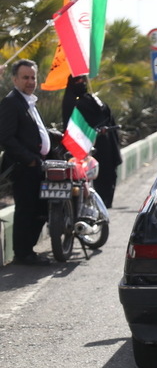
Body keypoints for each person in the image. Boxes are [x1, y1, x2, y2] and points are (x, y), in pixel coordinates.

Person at [0, 60, 52, 265]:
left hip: (38, 166)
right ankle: (23, 253)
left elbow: (35, 131)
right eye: (25, 77)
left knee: (39, 208)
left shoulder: (29, 101)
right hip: (23, 167)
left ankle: (27, 250)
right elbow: (5, 137)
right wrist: (29, 159)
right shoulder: (11, 102)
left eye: (33, 77)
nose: (30, 82)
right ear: (15, 80)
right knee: (27, 208)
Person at [61, 75, 122, 207]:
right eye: (77, 81)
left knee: (107, 173)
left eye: (83, 80)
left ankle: (103, 203)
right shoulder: (71, 101)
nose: (82, 83)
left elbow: (106, 114)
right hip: (83, 146)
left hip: (105, 143)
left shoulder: (92, 98)